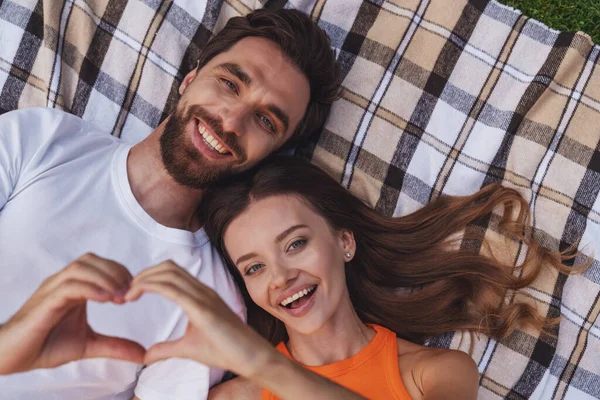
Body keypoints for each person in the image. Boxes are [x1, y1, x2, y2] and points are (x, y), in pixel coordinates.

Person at [0, 8, 340, 400]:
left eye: (266, 121)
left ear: (272, 154)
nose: (231, 122)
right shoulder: (44, 138)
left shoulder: (214, 305)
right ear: (191, 78)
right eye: (230, 83)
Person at [193, 156, 576, 399]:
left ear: (345, 242)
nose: (280, 277)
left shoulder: (437, 374)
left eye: (295, 244)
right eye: (254, 268)